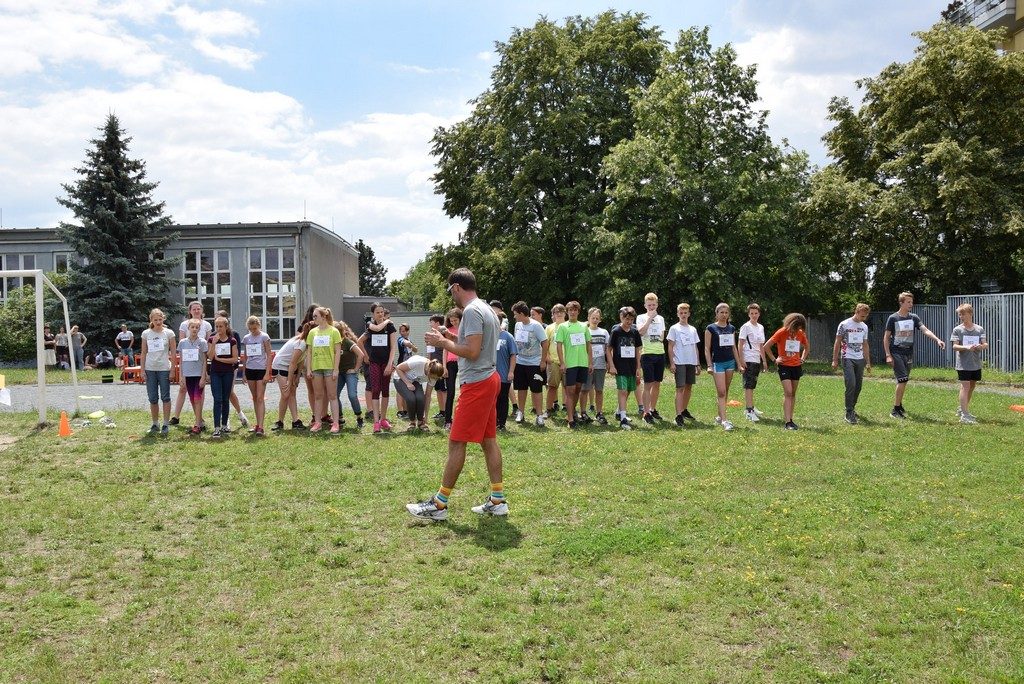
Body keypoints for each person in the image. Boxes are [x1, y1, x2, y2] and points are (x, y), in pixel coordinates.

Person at [407, 267, 506, 521]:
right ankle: (497, 500)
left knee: (456, 442)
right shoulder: (485, 308)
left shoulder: (471, 311)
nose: (451, 294)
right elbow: (477, 343)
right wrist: (449, 335)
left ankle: (439, 505)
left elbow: (472, 351)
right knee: (488, 440)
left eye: (450, 289)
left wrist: (442, 343)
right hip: (489, 378)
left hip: (478, 383)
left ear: (457, 287)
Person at [882, 292, 946, 419]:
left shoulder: (914, 317)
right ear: (901, 303)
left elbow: (925, 330)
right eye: (908, 302)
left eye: (912, 302)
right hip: (896, 352)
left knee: (903, 380)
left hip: (909, 353)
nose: (911, 304)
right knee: (902, 379)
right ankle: (895, 410)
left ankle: (899, 405)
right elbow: (886, 337)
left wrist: (937, 339)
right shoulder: (893, 318)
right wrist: (888, 355)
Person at [764, 313, 810, 430]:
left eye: (799, 328)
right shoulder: (781, 332)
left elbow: (807, 347)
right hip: (784, 366)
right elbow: (766, 346)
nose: (797, 330)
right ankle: (787, 422)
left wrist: (802, 359)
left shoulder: (801, 333)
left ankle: (791, 419)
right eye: (796, 328)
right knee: (788, 392)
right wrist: (775, 359)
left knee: (793, 393)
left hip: (796, 366)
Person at [170, 302, 213, 426]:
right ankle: (176, 416)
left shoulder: (206, 325)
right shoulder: (184, 324)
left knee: (199, 393)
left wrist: (205, 371)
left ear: (202, 310)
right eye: (194, 309)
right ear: (190, 311)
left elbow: (209, 343)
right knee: (183, 389)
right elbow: (182, 344)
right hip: (187, 364)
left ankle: (199, 419)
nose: (196, 311)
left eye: (198, 309)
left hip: (199, 363)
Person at [358, 303, 398, 433]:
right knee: (375, 389)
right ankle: (376, 422)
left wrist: (390, 363)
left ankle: (383, 419)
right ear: (373, 314)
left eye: (382, 312)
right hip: (374, 362)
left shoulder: (390, 327)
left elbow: (393, 347)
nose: (380, 314)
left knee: (385, 390)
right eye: (377, 312)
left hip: (386, 362)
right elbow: (360, 341)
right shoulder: (370, 325)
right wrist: (365, 355)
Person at [304, 307, 343, 434]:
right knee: (318, 396)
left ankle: (335, 423)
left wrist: (336, 369)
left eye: (316, 316)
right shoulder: (312, 332)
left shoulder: (334, 331)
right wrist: (309, 369)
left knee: (332, 396)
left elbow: (337, 352)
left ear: (324, 316)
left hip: (330, 368)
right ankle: (318, 422)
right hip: (316, 368)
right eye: (313, 316)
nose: (313, 318)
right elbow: (309, 352)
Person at [704, 303, 743, 431]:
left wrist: (739, 364)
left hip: (730, 363)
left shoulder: (731, 328)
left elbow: (733, 347)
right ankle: (725, 421)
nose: (724, 315)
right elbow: (707, 348)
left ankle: (720, 416)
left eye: (726, 312)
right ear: (717, 314)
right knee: (721, 392)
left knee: (725, 390)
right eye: (721, 312)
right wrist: (709, 365)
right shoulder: (711, 328)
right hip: (718, 363)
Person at [832, 303, 872, 424]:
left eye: (865, 316)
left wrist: (868, 362)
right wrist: (834, 360)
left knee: (858, 386)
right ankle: (848, 412)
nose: (863, 318)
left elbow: (865, 344)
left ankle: (852, 407)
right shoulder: (844, 324)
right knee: (851, 384)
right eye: (862, 316)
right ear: (856, 312)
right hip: (847, 357)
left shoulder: (864, 327)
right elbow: (837, 342)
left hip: (859, 358)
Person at [511, 301, 549, 426]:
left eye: (516, 314)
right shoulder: (517, 325)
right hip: (520, 362)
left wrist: (543, 361)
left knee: (536, 389)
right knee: (521, 388)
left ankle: (539, 415)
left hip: (534, 363)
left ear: (522, 314)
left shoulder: (536, 326)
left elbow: (545, 343)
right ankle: (521, 413)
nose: (514, 317)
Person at [139, 308, 177, 435]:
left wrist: (173, 370)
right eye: (155, 320)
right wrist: (142, 370)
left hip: (164, 368)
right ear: (151, 320)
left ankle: (165, 424)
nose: (158, 322)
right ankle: (155, 423)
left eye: (160, 319)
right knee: (153, 398)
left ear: (163, 319)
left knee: (165, 397)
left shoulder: (169, 333)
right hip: (150, 369)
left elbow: (173, 353)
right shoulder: (146, 334)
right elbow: (143, 352)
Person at [555, 301, 592, 428]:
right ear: (567, 312)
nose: (573, 312)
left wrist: (590, 362)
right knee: (570, 390)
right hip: (570, 364)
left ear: (578, 312)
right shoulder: (563, 327)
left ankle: (572, 412)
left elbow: (589, 345)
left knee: (578, 389)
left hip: (582, 363)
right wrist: (562, 363)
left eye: (575, 310)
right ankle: (570, 420)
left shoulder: (584, 326)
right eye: (570, 310)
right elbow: (559, 345)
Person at [951, 302, 988, 424]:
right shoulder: (957, 330)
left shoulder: (979, 329)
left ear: (970, 314)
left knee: (972, 386)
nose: (961, 317)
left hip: (975, 364)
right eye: (960, 314)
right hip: (963, 364)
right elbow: (955, 346)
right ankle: (965, 416)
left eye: (963, 314)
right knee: (965, 387)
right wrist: (966, 347)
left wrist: (981, 346)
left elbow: (985, 344)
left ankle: (963, 409)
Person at [270, 323, 311, 432]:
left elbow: (301, 360)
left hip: (290, 367)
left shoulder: (308, 343)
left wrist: (297, 376)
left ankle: (295, 421)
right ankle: (279, 422)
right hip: (280, 365)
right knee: (286, 394)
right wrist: (289, 380)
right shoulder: (301, 343)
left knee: (292, 393)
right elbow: (293, 362)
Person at [607, 306, 642, 430]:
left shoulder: (635, 332)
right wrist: (611, 365)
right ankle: (623, 419)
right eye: (627, 319)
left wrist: (638, 367)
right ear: (621, 317)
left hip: (631, 366)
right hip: (619, 366)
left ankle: (619, 412)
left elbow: (638, 350)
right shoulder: (616, 331)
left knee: (628, 390)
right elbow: (608, 349)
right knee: (622, 390)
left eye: (631, 319)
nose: (629, 322)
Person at [667, 302, 701, 426]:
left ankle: (684, 410)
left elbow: (695, 347)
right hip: (679, 362)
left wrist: (697, 363)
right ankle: (678, 415)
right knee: (680, 388)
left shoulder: (693, 329)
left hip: (691, 362)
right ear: (677, 314)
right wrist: (672, 363)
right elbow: (670, 347)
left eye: (685, 313)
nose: (683, 315)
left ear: (689, 314)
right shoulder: (674, 328)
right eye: (681, 313)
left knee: (688, 386)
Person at [217, 309, 251, 430]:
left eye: (220, 320)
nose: (218, 324)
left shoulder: (234, 334)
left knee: (229, 392)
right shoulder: (214, 336)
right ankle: (226, 420)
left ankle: (240, 414)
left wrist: (233, 365)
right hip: (218, 369)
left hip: (231, 368)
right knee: (222, 394)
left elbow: (237, 354)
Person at [636, 293, 667, 424]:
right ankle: (646, 412)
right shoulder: (641, 317)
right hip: (647, 353)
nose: (652, 307)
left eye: (654, 305)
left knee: (657, 383)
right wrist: (649, 319)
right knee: (648, 383)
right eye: (649, 305)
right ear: (645, 305)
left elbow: (662, 336)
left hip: (660, 353)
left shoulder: (661, 318)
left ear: (657, 305)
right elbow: (640, 332)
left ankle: (653, 409)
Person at [394, 355, 446, 431]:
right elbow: (398, 368)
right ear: (429, 371)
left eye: (436, 378)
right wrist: (408, 383)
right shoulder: (418, 363)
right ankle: (412, 422)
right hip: (400, 377)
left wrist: (426, 416)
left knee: (420, 398)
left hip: (415, 380)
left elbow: (427, 396)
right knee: (411, 398)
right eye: (433, 377)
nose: (434, 379)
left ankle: (421, 422)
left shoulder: (434, 376)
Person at [207, 316, 239, 438]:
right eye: (217, 326)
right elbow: (210, 357)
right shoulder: (211, 339)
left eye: (221, 326)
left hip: (228, 372)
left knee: (225, 399)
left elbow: (234, 359)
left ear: (226, 327)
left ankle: (225, 425)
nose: (218, 329)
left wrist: (220, 359)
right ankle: (216, 427)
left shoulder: (232, 340)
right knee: (217, 399)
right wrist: (214, 344)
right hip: (215, 372)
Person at [241, 316, 273, 436]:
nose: (253, 331)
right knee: (254, 397)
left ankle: (261, 426)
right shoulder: (246, 338)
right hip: (250, 369)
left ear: (259, 326)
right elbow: (245, 356)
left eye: (255, 328)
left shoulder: (264, 337)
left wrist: (267, 372)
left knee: (260, 398)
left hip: (261, 369)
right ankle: (257, 424)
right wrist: (244, 372)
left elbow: (269, 354)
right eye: (251, 329)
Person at [177, 318, 208, 435]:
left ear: (199, 329)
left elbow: (204, 361)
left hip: (198, 375)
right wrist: (181, 376)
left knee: (197, 399)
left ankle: (197, 425)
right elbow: (181, 361)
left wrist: (203, 376)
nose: (194, 329)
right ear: (188, 328)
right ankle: (199, 421)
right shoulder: (182, 343)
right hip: (187, 375)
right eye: (192, 327)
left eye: (197, 327)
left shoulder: (202, 342)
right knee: (192, 399)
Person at [738, 303, 768, 422]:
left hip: (756, 359)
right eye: (752, 313)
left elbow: (761, 345)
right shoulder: (746, 327)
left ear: (759, 314)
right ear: (748, 314)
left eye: (756, 313)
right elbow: (740, 344)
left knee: (752, 384)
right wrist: (741, 360)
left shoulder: (760, 327)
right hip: (748, 358)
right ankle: (749, 411)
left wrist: (764, 360)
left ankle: (751, 407)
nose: (754, 315)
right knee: (748, 385)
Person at [335, 320, 366, 428]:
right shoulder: (333, 343)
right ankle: (340, 418)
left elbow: (361, 355)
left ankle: (359, 417)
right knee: (334, 395)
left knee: (352, 395)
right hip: (339, 373)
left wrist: (355, 369)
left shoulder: (347, 342)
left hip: (349, 372)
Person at [582, 307, 609, 424]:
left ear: (600, 319)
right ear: (588, 318)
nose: (595, 320)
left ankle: (599, 413)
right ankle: (583, 412)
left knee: (599, 390)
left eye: (597, 318)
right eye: (593, 318)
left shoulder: (604, 332)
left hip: (600, 366)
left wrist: (608, 363)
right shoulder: (584, 331)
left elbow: (607, 349)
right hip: (587, 366)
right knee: (585, 389)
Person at [494, 314, 518, 430]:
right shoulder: (487, 335)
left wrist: (511, 372)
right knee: (491, 399)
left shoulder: (507, 336)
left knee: (502, 399)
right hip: (489, 375)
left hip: (503, 374)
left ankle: (501, 423)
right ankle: (492, 422)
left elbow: (513, 355)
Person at [441, 308, 463, 430]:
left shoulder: (465, 329)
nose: (453, 322)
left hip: (463, 362)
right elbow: (445, 349)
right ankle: (448, 420)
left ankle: (462, 418)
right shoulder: (448, 331)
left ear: (460, 318)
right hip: (450, 363)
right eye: (451, 321)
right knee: (450, 392)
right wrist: (444, 367)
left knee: (464, 391)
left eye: (455, 320)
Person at [424, 314, 447, 424]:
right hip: (433, 368)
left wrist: (445, 367)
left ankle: (447, 412)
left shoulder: (444, 335)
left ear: (437, 323)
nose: (430, 325)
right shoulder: (431, 336)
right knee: (438, 389)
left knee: (444, 390)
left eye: (432, 322)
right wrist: (428, 364)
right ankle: (441, 411)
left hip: (441, 367)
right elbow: (429, 352)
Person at [545, 304, 567, 416]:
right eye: (556, 312)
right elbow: (545, 344)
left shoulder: (569, 326)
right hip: (553, 361)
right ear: (553, 314)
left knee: (568, 387)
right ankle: (548, 409)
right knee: (552, 387)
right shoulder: (549, 328)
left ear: (565, 313)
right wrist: (547, 357)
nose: (559, 314)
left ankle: (568, 408)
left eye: (561, 311)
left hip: (568, 362)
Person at [394, 323, 417, 419]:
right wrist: (411, 345)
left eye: (405, 331)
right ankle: (400, 411)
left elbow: (415, 350)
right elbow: (405, 343)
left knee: (406, 389)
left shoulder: (409, 340)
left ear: (408, 331)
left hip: (408, 367)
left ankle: (406, 410)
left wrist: (412, 345)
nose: (403, 333)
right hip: (401, 367)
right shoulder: (400, 339)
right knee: (400, 389)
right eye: (402, 331)